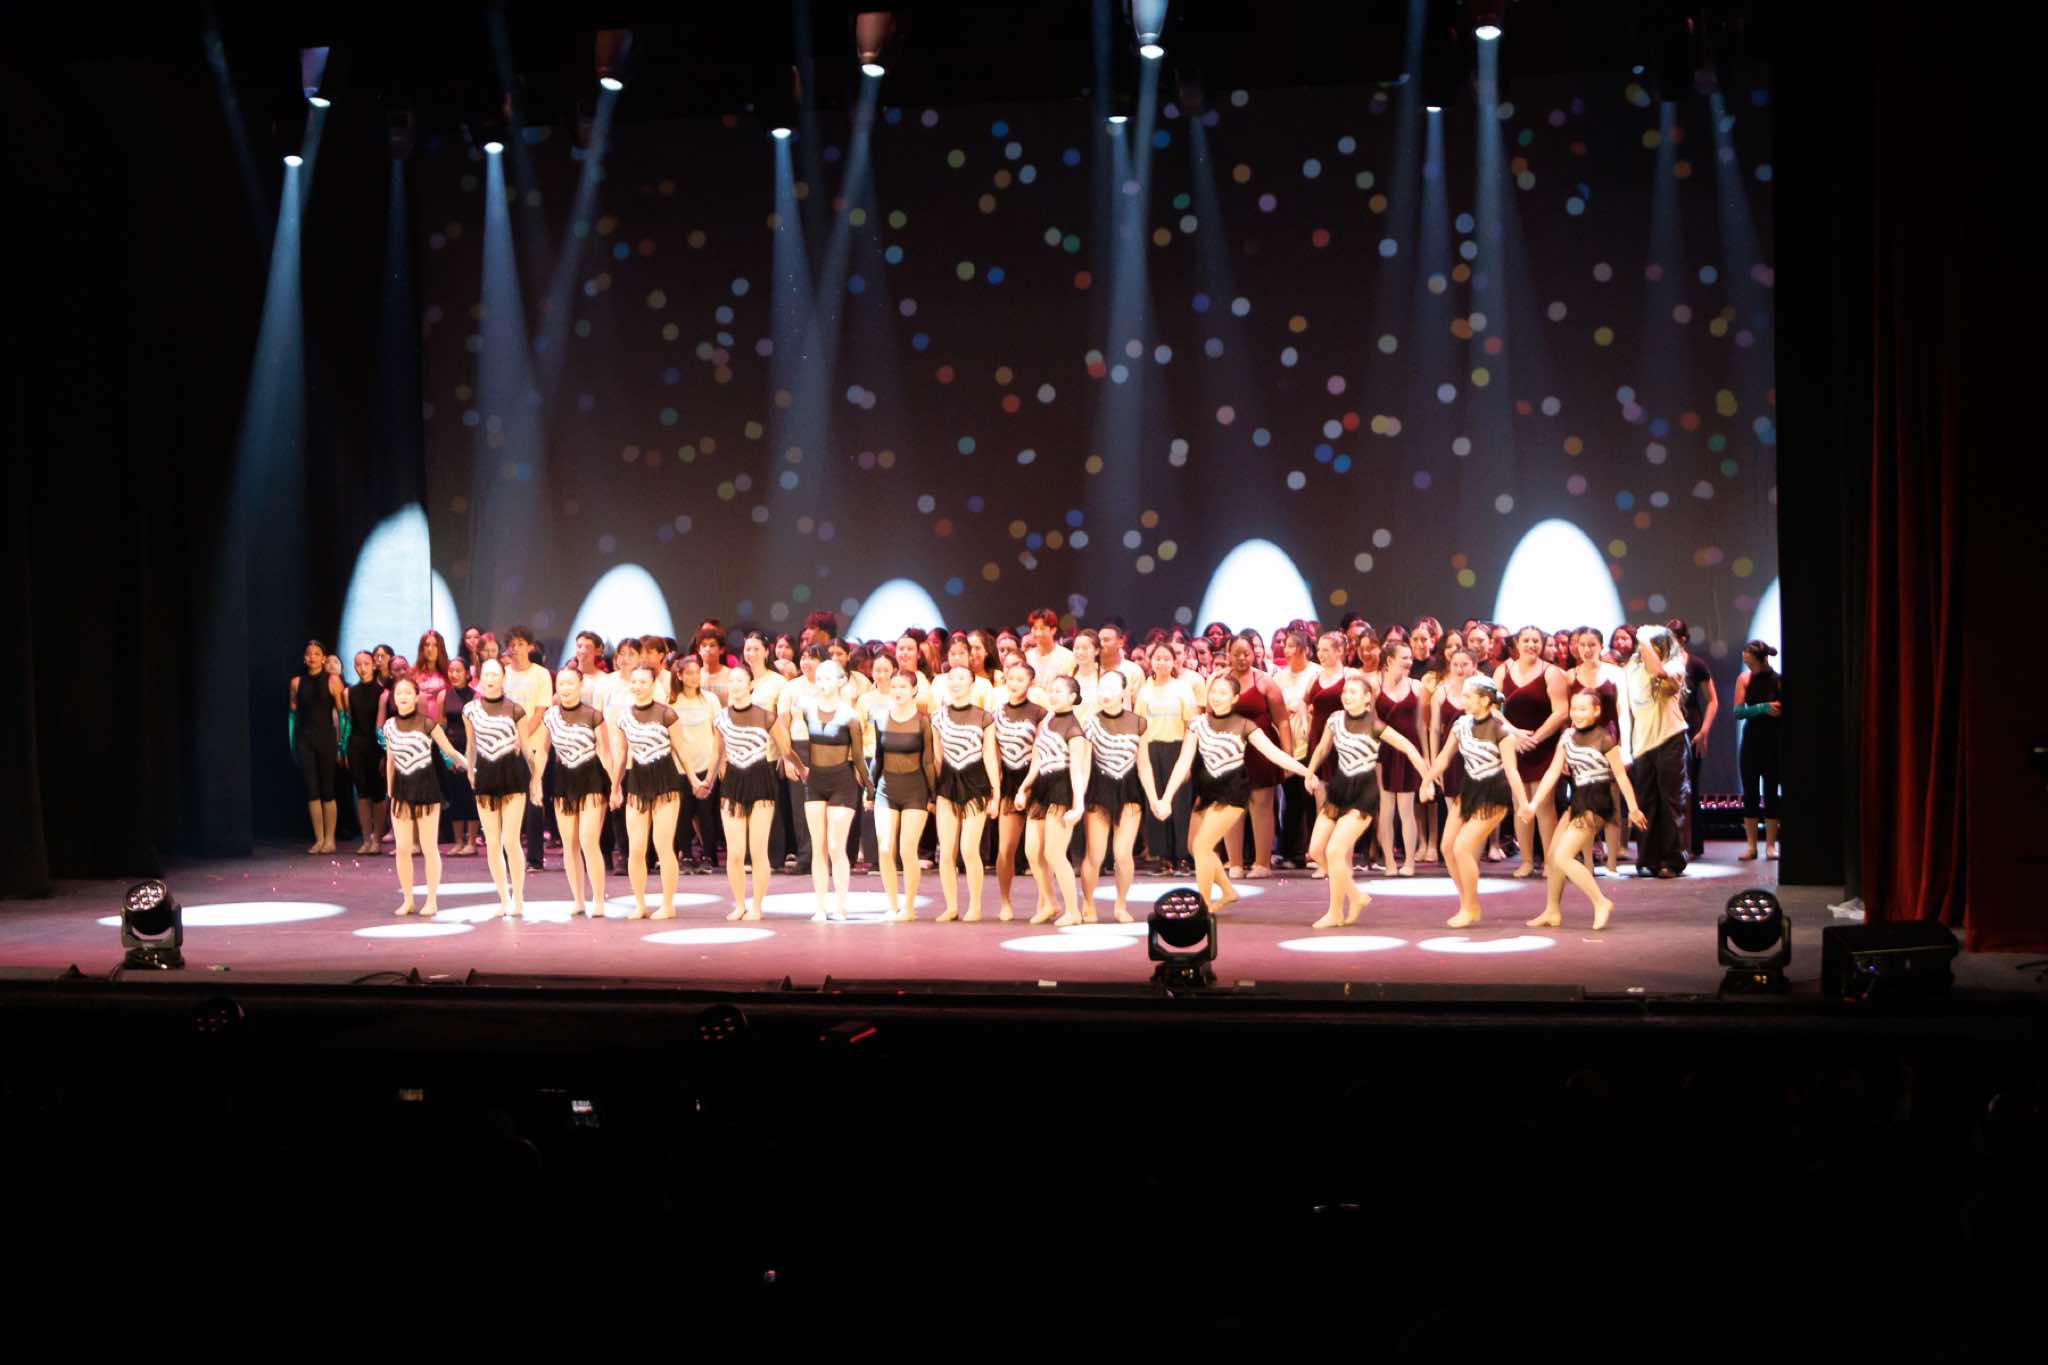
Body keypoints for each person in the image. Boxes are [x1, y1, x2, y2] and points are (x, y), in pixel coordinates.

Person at [1157, 673, 1317, 916]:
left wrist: (1306, 772)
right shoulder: (1197, 723)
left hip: (1232, 792)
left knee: (1202, 845)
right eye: (1213, 692)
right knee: (1194, 847)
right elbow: (1182, 762)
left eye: (1223, 693)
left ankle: (1203, 907)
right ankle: (1228, 891)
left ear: (1234, 698)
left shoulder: (1244, 725)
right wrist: (1166, 798)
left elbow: (1274, 753)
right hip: (1206, 790)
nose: (1216, 697)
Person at [1303, 674, 1428, 929]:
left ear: (1367, 698)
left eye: (1353, 692)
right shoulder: (1335, 720)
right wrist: (1310, 771)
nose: (1347, 696)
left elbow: (1408, 748)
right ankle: (1356, 895)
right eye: (1345, 692)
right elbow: (1322, 748)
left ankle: (1335, 912)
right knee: (1316, 851)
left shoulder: (1375, 725)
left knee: (1335, 852)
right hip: (1339, 789)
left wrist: (1427, 779)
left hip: (1364, 793)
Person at [1521, 690, 1650, 930]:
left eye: (1583, 709)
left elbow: (1621, 777)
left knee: (1563, 856)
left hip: (1598, 802)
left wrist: (1633, 808)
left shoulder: (1605, 739)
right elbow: (1552, 771)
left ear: (1596, 711)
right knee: (1553, 856)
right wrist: (1534, 803)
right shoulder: (1567, 737)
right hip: (1578, 801)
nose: (1577, 714)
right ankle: (1552, 911)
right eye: (1574, 709)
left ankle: (1601, 902)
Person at [1419, 675, 1527, 928]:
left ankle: (1470, 906)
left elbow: (1511, 771)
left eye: (1468, 696)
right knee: (1447, 847)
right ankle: (1468, 902)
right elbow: (1444, 757)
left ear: (1485, 700)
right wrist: (1427, 780)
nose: (1463, 700)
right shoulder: (1461, 725)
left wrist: (1523, 803)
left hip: (1493, 794)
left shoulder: (1502, 732)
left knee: (1462, 848)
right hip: (1469, 790)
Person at [775, 660, 867, 922]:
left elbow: (858, 757)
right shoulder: (806, 706)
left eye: (828, 678)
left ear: (841, 682)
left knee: (836, 846)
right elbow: (784, 726)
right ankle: (820, 906)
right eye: (820, 678)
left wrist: (870, 789)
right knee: (819, 847)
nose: (822, 683)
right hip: (815, 781)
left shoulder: (850, 715)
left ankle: (841, 906)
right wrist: (795, 763)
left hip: (842, 782)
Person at [529, 666, 615, 920]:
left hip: (591, 779)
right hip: (563, 780)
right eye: (561, 684)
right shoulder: (550, 717)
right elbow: (543, 750)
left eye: (570, 684)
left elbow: (605, 752)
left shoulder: (593, 715)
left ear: (580, 685)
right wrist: (536, 780)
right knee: (569, 844)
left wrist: (615, 786)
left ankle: (598, 899)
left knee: (588, 840)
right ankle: (578, 899)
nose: (565, 688)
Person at [609, 663, 692, 920]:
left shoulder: (667, 714)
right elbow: (621, 755)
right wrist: (614, 787)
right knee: (635, 848)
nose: (637, 686)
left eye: (643, 682)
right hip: (637, 781)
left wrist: (694, 779)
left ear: (653, 684)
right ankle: (640, 903)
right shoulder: (623, 717)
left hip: (666, 781)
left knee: (663, 845)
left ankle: (668, 904)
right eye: (634, 682)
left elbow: (681, 750)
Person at [381, 676, 468, 918]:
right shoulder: (389, 726)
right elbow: (390, 761)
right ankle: (408, 899)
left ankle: (431, 900)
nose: (403, 697)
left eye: (408, 693)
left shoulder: (428, 724)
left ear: (416, 697)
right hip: (401, 792)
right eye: (399, 693)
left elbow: (450, 751)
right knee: (402, 848)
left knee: (429, 847)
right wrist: (390, 792)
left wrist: (471, 767)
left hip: (427, 790)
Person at [1081, 668, 1156, 925]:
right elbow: (1083, 765)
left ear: (1124, 692)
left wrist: (1154, 799)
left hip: (1129, 790)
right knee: (1095, 855)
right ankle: (1088, 903)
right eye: (1102, 687)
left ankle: (1121, 904)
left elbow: (1144, 764)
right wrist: (1078, 800)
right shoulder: (1090, 723)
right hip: (1099, 790)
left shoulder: (1138, 722)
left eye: (1112, 688)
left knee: (1123, 854)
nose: (1106, 693)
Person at [464, 658, 538, 918]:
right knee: (492, 842)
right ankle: (503, 898)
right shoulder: (470, 710)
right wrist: (469, 769)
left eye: (495, 674)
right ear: (480, 678)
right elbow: (471, 745)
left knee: (510, 840)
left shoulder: (515, 710)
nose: (490, 679)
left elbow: (526, 747)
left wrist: (536, 777)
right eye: (486, 674)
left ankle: (518, 897)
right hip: (485, 776)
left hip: (512, 776)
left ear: (503, 678)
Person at [1496, 626, 1571, 880]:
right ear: (1517, 643)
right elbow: (1492, 708)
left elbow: (1561, 711)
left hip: (1543, 745)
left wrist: (1535, 738)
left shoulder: (1551, 673)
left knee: (1544, 805)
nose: (1531, 645)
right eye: (1526, 640)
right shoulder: (1503, 671)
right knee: (1520, 803)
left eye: (1536, 641)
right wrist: (1514, 733)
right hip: (1513, 745)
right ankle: (1527, 861)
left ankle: (1550, 861)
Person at [1015, 675, 1090, 925]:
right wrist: (1024, 787)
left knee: (1054, 853)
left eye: (1059, 691)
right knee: (1032, 850)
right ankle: (1049, 902)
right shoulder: (1047, 720)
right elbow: (1037, 758)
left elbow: (1077, 771)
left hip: (1061, 789)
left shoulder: (1075, 730)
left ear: (1072, 697)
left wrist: (1078, 805)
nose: (1053, 695)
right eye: (1051, 690)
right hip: (1042, 788)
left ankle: (1073, 910)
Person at [931, 665, 1000, 923]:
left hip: (976, 784)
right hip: (947, 786)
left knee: (969, 849)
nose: (956, 682)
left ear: (972, 684)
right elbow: (937, 757)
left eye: (962, 678)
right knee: (947, 851)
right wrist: (936, 791)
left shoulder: (984, 717)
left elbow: (990, 756)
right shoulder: (938, 717)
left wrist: (995, 794)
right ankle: (951, 906)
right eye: (952, 678)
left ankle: (975, 905)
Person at [1222, 633, 1293, 879]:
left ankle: (1262, 863)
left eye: (1246, 653)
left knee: (1261, 805)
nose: (1242, 658)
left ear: (1253, 654)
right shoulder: (1220, 682)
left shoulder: (1265, 682)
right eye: (1236, 654)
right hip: (1229, 751)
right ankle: (1235, 863)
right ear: (1228, 655)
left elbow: (1282, 720)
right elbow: (1211, 718)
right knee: (1231, 807)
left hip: (1261, 751)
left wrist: (1287, 755)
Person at [870, 668, 937, 922]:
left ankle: (909, 906)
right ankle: (892, 904)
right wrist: (869, 790)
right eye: (894, 686)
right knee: (885, 847)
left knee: (908, 849)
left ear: (914, 690)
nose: (897, 691)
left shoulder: (923, 722)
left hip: (915, 791)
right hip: (886, 790)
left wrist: (932, 795)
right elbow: (877, 758)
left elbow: (928, 761)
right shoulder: (880, 719)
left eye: (903, 687)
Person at [1624, 626, 1692, 877]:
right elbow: (1626, 709)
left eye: (1652, 645)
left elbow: (1658, 672)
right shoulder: (1631, 668)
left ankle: (1671, 861)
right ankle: (1648, 858)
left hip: (1669, 738)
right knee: (1646, 801)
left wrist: (1643, 638)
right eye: (1643, 645)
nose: (1644, 649)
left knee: (1671, 800)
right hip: (1643, 742)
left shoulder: (1674, 665)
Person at [714, 666, 780, 922]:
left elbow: (785, 747)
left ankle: (757, 905)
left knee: (758, 850)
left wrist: (798, 767)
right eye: (731, 680)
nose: (735, 684)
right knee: (735, 851)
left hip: (760, 781)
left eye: (740, 680)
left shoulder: (765, 716)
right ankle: (740, 903)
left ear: (751, 685)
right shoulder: (721, 717)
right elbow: (717, 753)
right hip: (733, 782)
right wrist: (706, 781)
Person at [1567, 626, 1633, 875]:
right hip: (1581, 744)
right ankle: (1588, 863)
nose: (1586, 649)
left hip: (1608, 740)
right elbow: (1569, 717)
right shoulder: (1570, 675)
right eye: (1582, 645)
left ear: (1601, 646)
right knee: (1584, 804)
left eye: (1591, 645)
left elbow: (1623, 712)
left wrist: (1625, 748)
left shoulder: (1615, 673)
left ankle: (1612, 863)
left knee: (1611, 803)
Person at [992, 659, 1051, 920]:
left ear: (1030, 683)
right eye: (1011, 678)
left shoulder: (1040, 713)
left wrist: (1028, 786)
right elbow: (993, 752)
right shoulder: (997, 712)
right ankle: (1005, 902)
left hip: (1036, 781)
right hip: (1009, 782)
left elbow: (1043, 751)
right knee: (1006, 848)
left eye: (1020, 679)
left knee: (1038, 850)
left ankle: (1044, 901)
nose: (1014, 683)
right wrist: (995, 789)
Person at [1137, 642, 1199, 876]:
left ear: (1175, 661)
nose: (1161, 662)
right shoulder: (1145, 690)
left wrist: (1187, 762)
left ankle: (1182, 857)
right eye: (1157, 658)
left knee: (1180, 803)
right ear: (1150, 661)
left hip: (1178, 749)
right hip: (1151, 750)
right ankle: (1162, 858)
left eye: (1166, 658)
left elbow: (1191, 725)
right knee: (1155, 800)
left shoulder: (1183, 689)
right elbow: (1139, 725)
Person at [500, 626, 555, 873]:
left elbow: (541, 711)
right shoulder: (503, 674)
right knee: (508, 797)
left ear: (530, 647)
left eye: (521, 644)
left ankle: (535, 858)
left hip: (534, 742)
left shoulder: (541, 674)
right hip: (506, 742)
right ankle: (507, 854)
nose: (516, 649)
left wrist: (521, 739)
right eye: (512, 644)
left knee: (534, 797)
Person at [289, 640, 347, 855]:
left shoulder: (332, 680)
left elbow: (342, 715)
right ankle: (319, 838)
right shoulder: (296, 683)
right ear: (304, 658)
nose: (312, 657)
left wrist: (342, 744)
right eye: (309, 654)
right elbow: (292, 716)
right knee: (312, 790)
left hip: (326, 740)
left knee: (327, 789)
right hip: (305, 740)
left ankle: (330, 839)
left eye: (316, 653)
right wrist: (292, 743)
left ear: (323, 658)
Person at [1374, 639, 1427, 876]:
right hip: (1383, 752)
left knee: (1407, 809)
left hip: (1409, 752)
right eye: (1404, 657)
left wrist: (1425, 756)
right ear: (1390, 660)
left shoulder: (1417, 687)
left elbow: (1421, 725)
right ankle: (1389, 861)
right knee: (1386, 809)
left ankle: (1409, 862)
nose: (1409, 661)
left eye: (1410, 657)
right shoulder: (1375, 686)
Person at [1667, 618, 1719, 859]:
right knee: (1669, 787)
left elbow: (1713, 700)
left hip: (1691, 729)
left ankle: (1691, 843)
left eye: (1673, 638)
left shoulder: (1696, 665)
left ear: (1683, 639)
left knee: (1690, 786)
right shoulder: (1661, 664)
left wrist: (1704, 730)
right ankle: (1672, 842)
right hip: (1667, 729)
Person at [670, 655, 722, 875]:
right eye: (689, 673)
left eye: (697, 672)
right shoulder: (672, 702)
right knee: (683, 814)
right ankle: (687, 856)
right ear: (680, 676)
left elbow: (718, 734)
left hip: (707, 765)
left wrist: (715, 769)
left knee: (706, 813)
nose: (694, 677)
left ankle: (708, 856)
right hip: (680, 767)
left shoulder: (710, 700)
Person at [1275, 628, 1320, 869]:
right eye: (1286, 645)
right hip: (1288, 740)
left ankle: (1314, 851)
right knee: (1291, 797)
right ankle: (1292, 852)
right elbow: (1274, 708)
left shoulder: (1316, 673)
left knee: (1311, 796)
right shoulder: (1279, 677)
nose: (1286, 650)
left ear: (1304, 649)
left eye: (1291, 646)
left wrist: (1304, 711)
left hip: (1312, 738)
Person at [1733, 640, 1783, 861]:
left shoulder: (1778, 680)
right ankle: (1751, 846)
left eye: (1751, 662)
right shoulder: (1744, 679)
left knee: (1771, 792)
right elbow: (1738, 712)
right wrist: (1762, 708)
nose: (1748, 666)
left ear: (1763, 660)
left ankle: (1771, 845)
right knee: (1750, 793)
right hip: (1751, 742)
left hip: (1773, 742)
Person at [345, 650, 388, 856]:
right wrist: (344, 748)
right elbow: (349, 721)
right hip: (356, 745)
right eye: (358, 664)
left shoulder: (383, 692)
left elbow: (383, 724)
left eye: (366, 664)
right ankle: (366, 838)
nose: (362, 668)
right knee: (362, 793)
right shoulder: (350, 692)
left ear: (373, 665)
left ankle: (377, 838)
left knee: (378, 794)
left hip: (375, 746)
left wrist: (384, 753)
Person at [439, 655, 480, 857]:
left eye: (458, 671)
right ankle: (457, 842)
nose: (454, 674)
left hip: (471, 749)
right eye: (451, 670)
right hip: (450, 749)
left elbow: (479, 728)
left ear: (467, 674)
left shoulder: (476, 696)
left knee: (470, 796)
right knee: (454, 796)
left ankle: (471, 842)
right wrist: (448, 757)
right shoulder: (443, 695)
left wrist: (466, 758)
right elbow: (440, 727)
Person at [1024, 607, 1074, 684]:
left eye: (1042, 628)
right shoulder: (1027, 657)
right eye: (1035, 628)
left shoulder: (1068, 657)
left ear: (1053, 630)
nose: (1038, 633)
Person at [413, 629, 451, 724]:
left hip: (442, 723)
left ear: (440, 648)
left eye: (435, 645)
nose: (430, 649)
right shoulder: (413, 672)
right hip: (418, 723)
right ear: (422, 648)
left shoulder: (449, 670)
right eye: (427, 645)